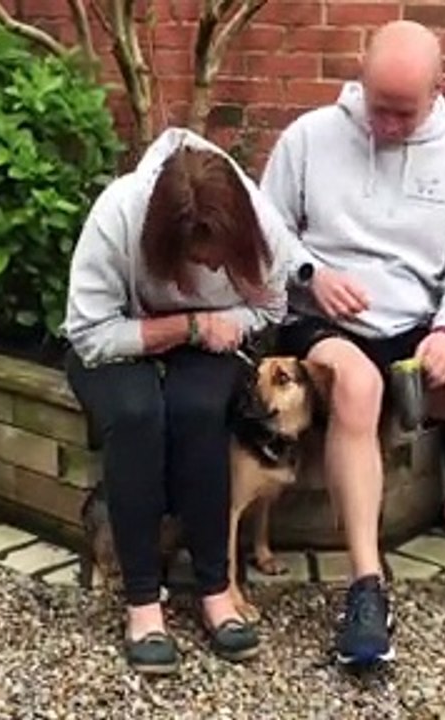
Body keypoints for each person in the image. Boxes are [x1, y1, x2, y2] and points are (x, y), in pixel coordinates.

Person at [260, 20, 445, 666]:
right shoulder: (309, 139)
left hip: (417, 333)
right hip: (323, 327)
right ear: (360, 74)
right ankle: (367, 585)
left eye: (404, 111)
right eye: (378, 108)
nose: (389, 125)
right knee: (359, 387)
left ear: (438, 89)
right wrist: (313, 273)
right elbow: (266, 234)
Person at [62, 127, 294, 675]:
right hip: (118, 341)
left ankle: (215, 589)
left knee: (195, 411)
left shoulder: (259, 224)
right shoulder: (118, 214)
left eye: (221, 261)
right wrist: (185, 325)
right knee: (139, 415)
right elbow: (89, 333)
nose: (212, 270)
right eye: (198, 258)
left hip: (213, 341)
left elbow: (272, 308)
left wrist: (221, 323)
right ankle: (143, 603)